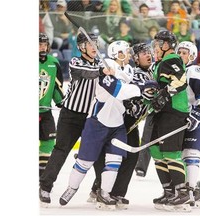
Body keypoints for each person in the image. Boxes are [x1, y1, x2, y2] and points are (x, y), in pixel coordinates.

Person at [58, 40, 159, 210]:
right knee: (84, 162)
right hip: (97, 123)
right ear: (118, 54)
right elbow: (119, 91)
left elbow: (128, 90)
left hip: (117, 125)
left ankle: (105, 194)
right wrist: (142, 87)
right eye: (126, 51)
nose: (129, 55)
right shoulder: (107, 69)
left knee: (115, 161)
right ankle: (72, 188)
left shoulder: (126, 70)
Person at [39, 32, 112, 204]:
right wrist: (103, 70)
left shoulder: (101, 64)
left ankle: (99, 190)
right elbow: (87, 73)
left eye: (95, 43)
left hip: (91, 117)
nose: (94, 47)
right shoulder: (76, 62)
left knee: (98, 154)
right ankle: (45, 186)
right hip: (70, 116)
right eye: (90, 44)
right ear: (81, 47)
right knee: (61, 151)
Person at [87, 42, 158, 209]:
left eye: (149, 52)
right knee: (114, 156)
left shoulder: (152, 72)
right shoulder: (134, 72)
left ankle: (114, 192)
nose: (148, 55)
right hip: (122, 120)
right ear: (135, 58)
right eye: (143, 53)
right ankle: (101, 190)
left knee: (129, 157)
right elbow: (123, 90)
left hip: (132, 122)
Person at [148, 30, 191, 212]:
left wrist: (164, 95)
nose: (156, 47)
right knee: (156, 151)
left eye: (159, 43)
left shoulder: (171, 59)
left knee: (171, 153)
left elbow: (181, 81)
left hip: (174, 112)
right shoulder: (160, 63)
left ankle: (183, 194)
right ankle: (169, 191)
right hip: (163, 113)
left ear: (167, 45)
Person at [175, 41, 200, 208]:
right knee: (180, 156)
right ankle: (194, 191)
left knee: (191, 155)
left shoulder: (196, 71)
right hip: (179, 120)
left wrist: (199, 111)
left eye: (185, 52)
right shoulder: (174, 72)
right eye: (179, 52)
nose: (181, 55)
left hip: (196, 120)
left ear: (192, 56)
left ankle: (190, 192)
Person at [39, 33, 64, 177]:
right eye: (39, 45)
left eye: (44, 45)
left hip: (45, 111)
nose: (42, 47)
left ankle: (42, 172)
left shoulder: (53, 62)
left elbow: (56, 86)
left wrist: (61, 102)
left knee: (48, 141)